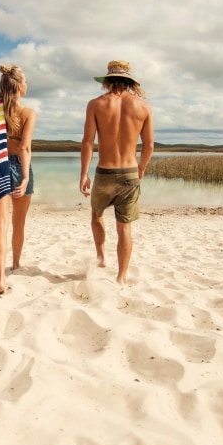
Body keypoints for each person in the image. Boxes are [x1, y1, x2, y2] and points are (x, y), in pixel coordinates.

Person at [79, 60, 154, 285]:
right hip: (130, 172)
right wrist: (141, 168)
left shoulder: (96, 104)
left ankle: (102, 257)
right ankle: (121, 276)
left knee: (96, 215)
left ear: (108, 80)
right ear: (129, 81)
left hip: (105, 172)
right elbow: (149, 145)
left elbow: (88, 141)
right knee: (124, 227)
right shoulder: (143, 107)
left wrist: (84, 174)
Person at [0, 65, 36, 294]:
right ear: (19, 86)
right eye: (26, 81)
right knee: (18, 222)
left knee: (0, 224)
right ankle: (16, 264)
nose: (27, 85)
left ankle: (0, 280)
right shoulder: (28, 113)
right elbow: (24, 148)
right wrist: (25, 177)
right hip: (19, 166)